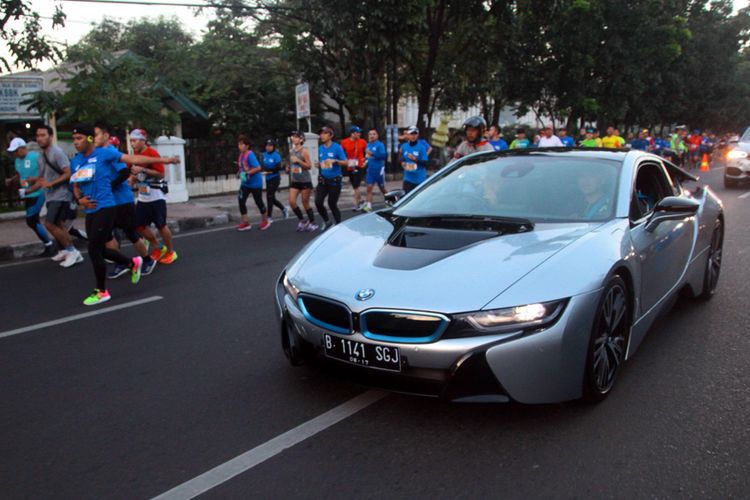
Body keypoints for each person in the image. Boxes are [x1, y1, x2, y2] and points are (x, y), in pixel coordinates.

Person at [69, 123, 178, 306]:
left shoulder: (104, 153)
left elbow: (133, 158)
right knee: (98, 248)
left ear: (89, 139)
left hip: (106, 207)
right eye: (74, 139)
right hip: (90, 210)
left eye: (79, 138)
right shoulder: (76, 161)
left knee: (95, 250)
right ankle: (131, 263)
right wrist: (80, 200)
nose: (76, 143)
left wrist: (165, 161)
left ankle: (101, 291)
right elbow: (75, 186)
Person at [92, 124, 156, 279]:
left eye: (96, 135)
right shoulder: (98, 155)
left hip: (122, 201)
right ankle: (121, 262)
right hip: (109, 203)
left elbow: (123, 172)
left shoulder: (112, 153)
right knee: (107, 234)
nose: (93, 139)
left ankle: (147, 260)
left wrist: (109, 186)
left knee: (131, 233)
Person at [30, 125, 83, 267]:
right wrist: (29, 188)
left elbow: (68, 172)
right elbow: (42, 178)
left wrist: (52, 183)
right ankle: (70, 250)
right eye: (38, 135)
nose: (39, 138)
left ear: (51, 137)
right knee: (59, 224)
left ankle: (72, 251)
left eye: (43, 135)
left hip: (61, 195)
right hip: (50, 196)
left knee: (49, 224)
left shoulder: (57, 153)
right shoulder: (41, 156)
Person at [129, 129, 178, 262]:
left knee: (161, 225)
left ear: (143, 140)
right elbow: (136, 173)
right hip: (143, 196)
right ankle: (157, 246)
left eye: (134, 140)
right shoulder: (135, 154)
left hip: (156, 196)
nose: (132, 144)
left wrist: (143, 169)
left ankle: (171, 251)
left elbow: (161, 174)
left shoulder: (151, 153)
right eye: (131, 141)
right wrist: (133, 178)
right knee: (138, 225)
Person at [5, 137, 54, 256]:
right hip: (26, 193)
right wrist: (12, 179)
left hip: (38, 192)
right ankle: (48, 245)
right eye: (13, 152)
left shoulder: (36, 157)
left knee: (31, 220)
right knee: (33, 221)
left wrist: (35, 180)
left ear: (22, 148)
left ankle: (50, 245)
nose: (15, 154)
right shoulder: (17, 161)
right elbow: (20, 174)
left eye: (16, 151)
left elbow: (46, 173)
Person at [316, 126, 347, 231]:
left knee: (332, 203)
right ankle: (327, 221)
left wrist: (335, 161)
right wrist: (319, 165)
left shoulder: (337, 147)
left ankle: (338, 225)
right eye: (321, 133)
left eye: (325, 133)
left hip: (335, 181)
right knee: (318, 202)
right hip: (323, 180)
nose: (322, 135)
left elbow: (345, 162)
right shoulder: (320, 148)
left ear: (331, 135)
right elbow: (323, 162)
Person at [236, 134, 268, 231]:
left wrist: (247, 173)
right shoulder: (241, 155)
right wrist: (238, 173)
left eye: (242, 144)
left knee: (258, 202)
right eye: (239, 144)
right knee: (241, 200)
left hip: (255, 184)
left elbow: (258, 168)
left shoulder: (250, 154)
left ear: (247, 146)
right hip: (245, 183)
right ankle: (246, 222)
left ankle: (265, 221)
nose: (240, 146)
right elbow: (242, 167)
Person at [287, 131, 317, 231]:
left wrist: (299, 161)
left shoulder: (304, 151)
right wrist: (288, 167)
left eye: (296, 137)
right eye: (293, 137)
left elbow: (309, 166)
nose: (294, 139)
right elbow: (292, 164)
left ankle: (312, 222)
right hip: (295, 180)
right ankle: (302, 220)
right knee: (291, 201)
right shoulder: (291, 151)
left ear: (301, 139)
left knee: (305, 202)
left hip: (305, 180)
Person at [340, 125, 368, 211]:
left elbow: (367, 153)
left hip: (359, 166)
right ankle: (362, 201)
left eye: (360, 132)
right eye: (357, 132)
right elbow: (340, 153)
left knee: (356, 185)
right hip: (350, 166)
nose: (359, 134)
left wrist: (365, 162)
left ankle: (356, 204)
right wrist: (344, 160)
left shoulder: (363, 142)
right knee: (355, 186)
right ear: (352, 134)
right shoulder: (344, 142)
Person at [262, 139, 287, 225]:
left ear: (273, 147)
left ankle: (269, 217)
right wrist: (264, 170)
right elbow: (263, 166)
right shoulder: (264, 155)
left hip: (275, 178)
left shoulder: (276, 155)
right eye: (267, 145)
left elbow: (278, 167)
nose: (268, 147)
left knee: (269, 197)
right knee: (271, 197)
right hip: (268, 178)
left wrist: (269, 171)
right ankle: (284, 209)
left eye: (270, 146)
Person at [363, 128, 387, 212]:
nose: (372, 136)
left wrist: (372, 153)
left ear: (377, 136)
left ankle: (389, 200)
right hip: (370, 170)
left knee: (382, 188)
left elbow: (383, 156)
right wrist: (365, 162)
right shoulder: (368, 145)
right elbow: (368, 157)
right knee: (369, 187)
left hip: (379, 169)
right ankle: (368, 206)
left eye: (374, 134)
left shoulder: (380, 145)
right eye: (370, 134)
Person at [400, 126, 429, 193]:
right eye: (411, 134)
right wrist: (402, 162)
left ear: (418, 135)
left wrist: (415, 159)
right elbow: (402, 160)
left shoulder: (421, 147)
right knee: (407, 199)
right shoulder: (404, 146)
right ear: (408, 135)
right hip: (408, 179)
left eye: (415, 134)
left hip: (419, 179)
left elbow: (425, 163)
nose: (413, 136)